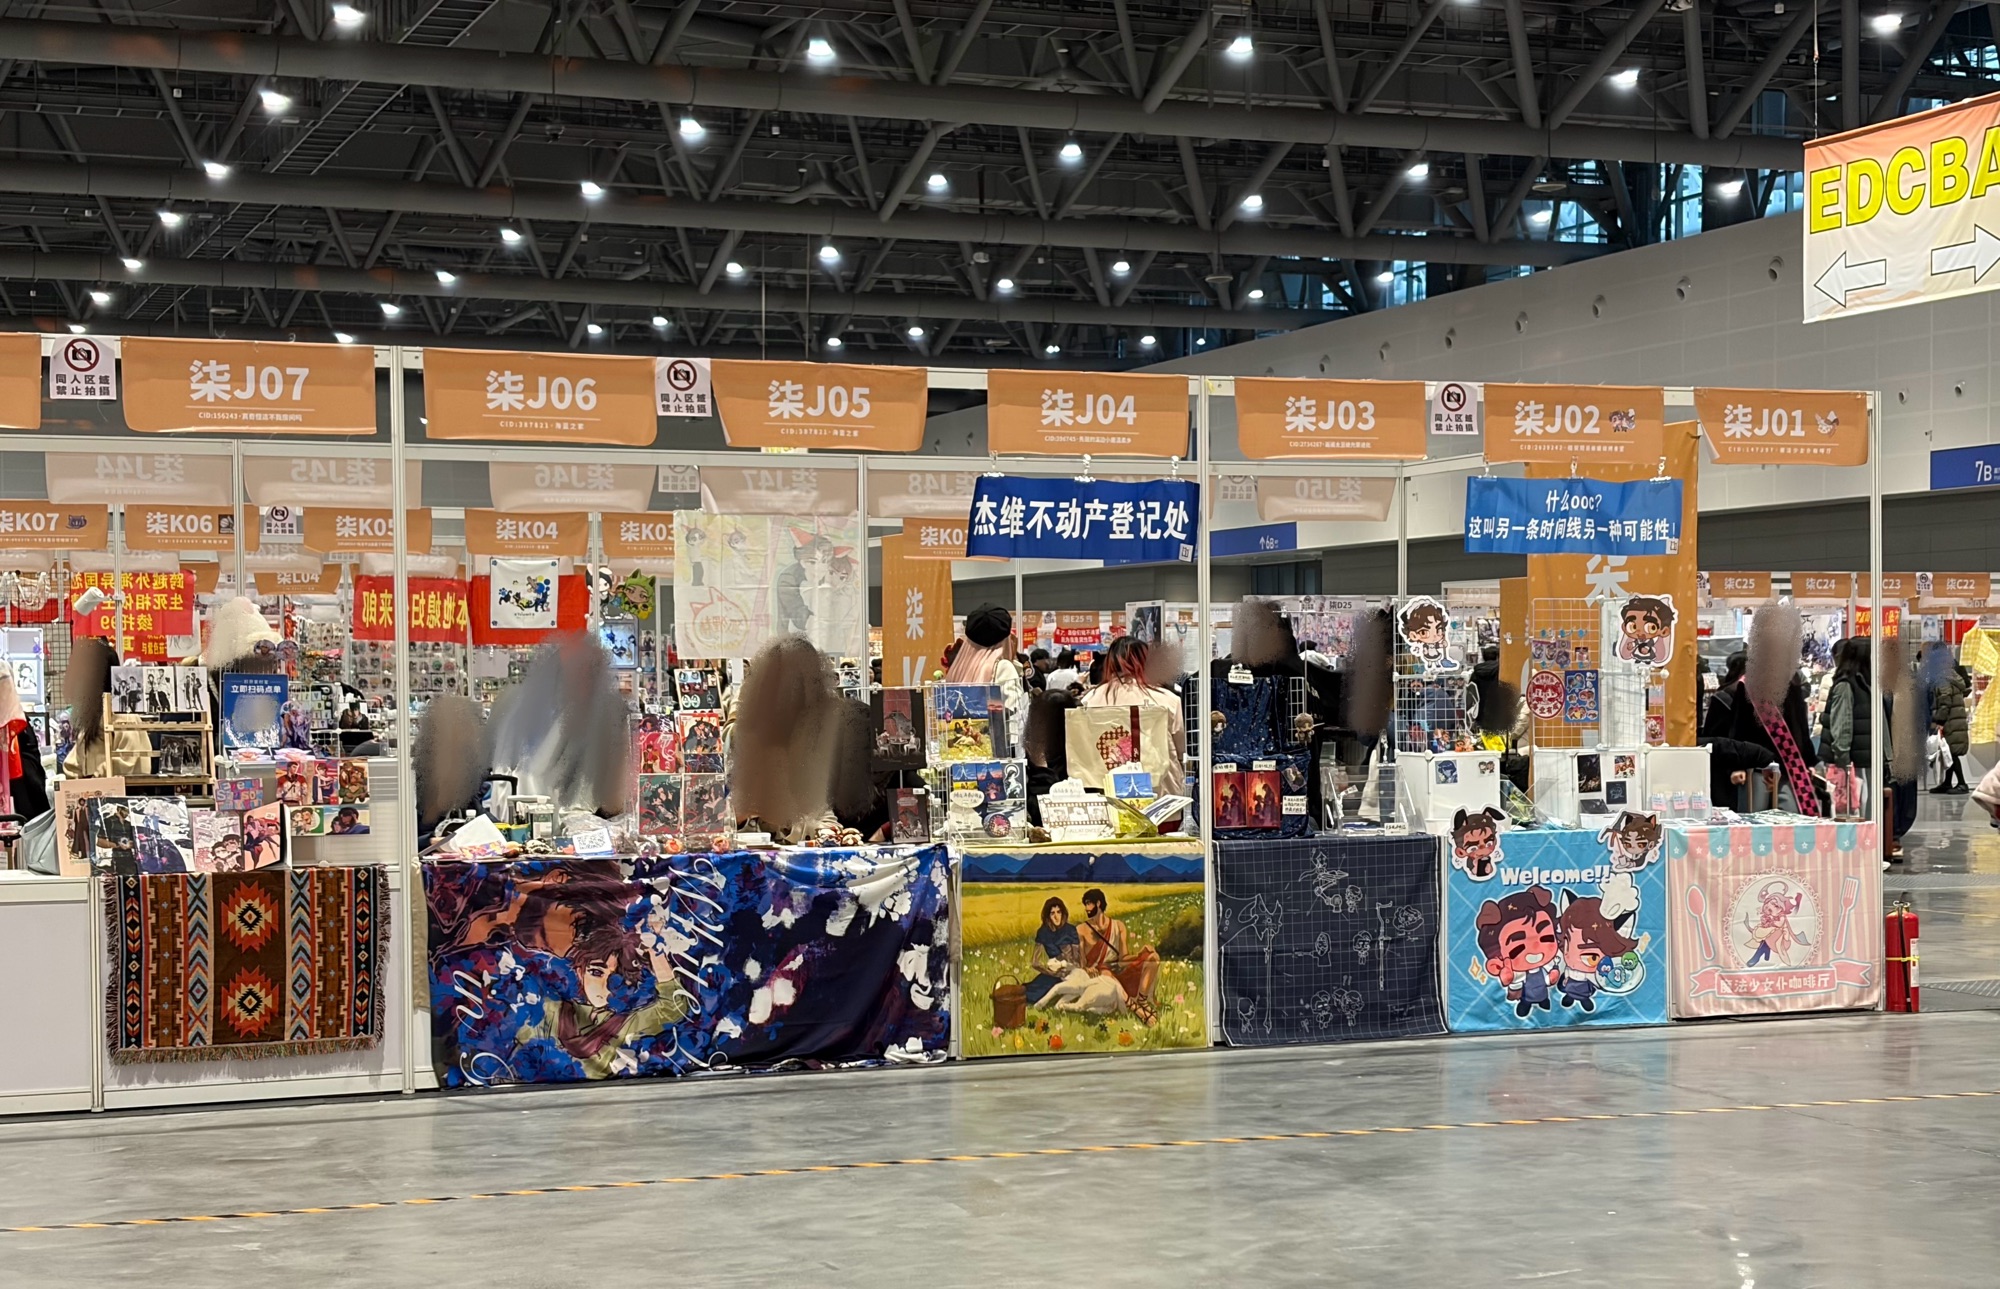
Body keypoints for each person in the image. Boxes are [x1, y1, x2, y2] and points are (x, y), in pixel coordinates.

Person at [1077, 635, 1186, 796]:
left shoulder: (1090, 700)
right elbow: (1181, 748)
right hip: (1162, 794)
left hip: (1108, 792)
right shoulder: (1167, 699)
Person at [943, 605, 1028, 748]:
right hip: (997, 747)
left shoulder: (958, 668)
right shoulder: (1003, 667)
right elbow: (1015, 712)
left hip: (957, 749)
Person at [1077, 887, 1161, 1023]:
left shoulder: (1118, 926)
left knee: (1153, 958)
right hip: (1101, 974)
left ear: (1098, 903)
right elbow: (1082, 963)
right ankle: (1137, 1010)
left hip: (1118, 970)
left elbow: (1123, 959)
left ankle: (1142, 1001)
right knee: (1106, 973)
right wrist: (1087, 969)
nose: (1086, 908)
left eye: (1088, 903)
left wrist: (1140, 954)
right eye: (1085, 904)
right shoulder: (1081, 930)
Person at [1025, 896, 1082, 1007]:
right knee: (1032, 990)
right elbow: (1035, 962)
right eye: (1052, 913)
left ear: (1063, 913)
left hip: (1071, 972)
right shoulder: (1043, 932)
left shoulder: (1070, 930)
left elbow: (1077, 960)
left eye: (1058, 912)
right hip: (1052, 973)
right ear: (1047, 916)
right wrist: (1050, 972)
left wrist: (1067, 969)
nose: (1056, 917)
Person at [1928, 645, 1971, 794]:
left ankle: (1962, 784)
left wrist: (1939, 721)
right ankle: (1947, 782)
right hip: (1954, 720)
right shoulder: (1951, 675)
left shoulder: (1943, 678)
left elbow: (1944, 701)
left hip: (1950, 722)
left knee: (1951, 753)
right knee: (1948, 751)